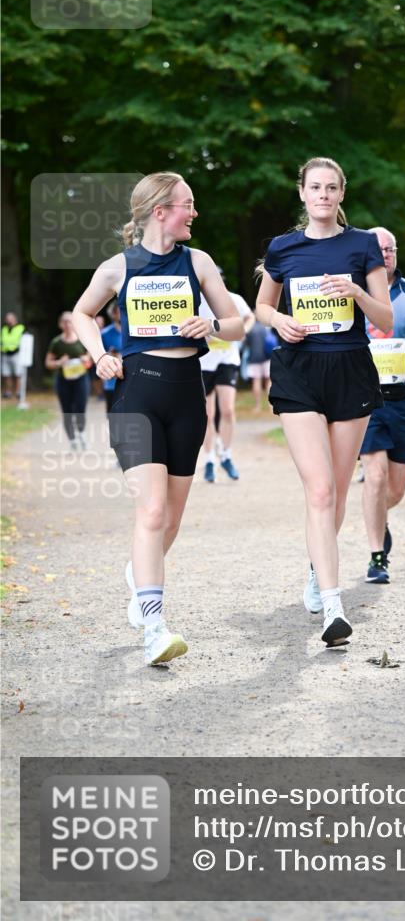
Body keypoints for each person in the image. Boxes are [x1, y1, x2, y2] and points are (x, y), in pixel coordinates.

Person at [72, 171, 243, 666]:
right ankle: (154, 626)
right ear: (160, 210)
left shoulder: (199, 262)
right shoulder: (117, 267)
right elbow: (84, 313)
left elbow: (236, 322)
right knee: (151, 512)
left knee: (170, 519)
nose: (195, 213)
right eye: (188, 204)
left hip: (189, 392)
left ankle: (139, 575)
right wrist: (99, 352)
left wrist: (211, 324)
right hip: (135, 393)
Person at [255, 156, 392, 647]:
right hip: (299, 370)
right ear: (302, 193)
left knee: (333, 488)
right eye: (316, 187)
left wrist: (356, 290)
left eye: (332, 188)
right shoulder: (282, 248)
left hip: (350, 369)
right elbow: (262, 306)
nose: (324, 195)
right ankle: (334, 607)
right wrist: (278, 322)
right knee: (319, 491)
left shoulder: (363, 245)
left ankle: (317, 569)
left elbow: (388, 319)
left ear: (341, 194)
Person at [360, 226, 405, 583]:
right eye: (380, 249)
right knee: (374, 477)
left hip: (404, 398)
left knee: (395, 490)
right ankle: (377, 557)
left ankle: (377, 516)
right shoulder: (353, 290)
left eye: (391, 249)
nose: (386, 254)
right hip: (365, 400)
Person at [199, 275, 254, 483]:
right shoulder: (196, 301)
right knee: (208, 414)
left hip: (228, 358)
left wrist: (242, 332)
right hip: (204, 362)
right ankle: (210, 459)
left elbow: (249, 317)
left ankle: (226, 455)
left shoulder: (233, 299)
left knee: (228, 410)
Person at [45, 311, 92, 451]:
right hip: (63, 381)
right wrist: (59, 362)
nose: (68, 324)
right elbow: (48, 363)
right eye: (65, 321)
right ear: (60, 324)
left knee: (80, 409)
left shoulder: (82, 339)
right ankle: (72, 441)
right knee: (67, 411)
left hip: (81, 379)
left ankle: (82, 435)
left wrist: (86, 359)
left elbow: (91, 357)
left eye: (70, 321)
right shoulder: (56, 342)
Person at [100, 301, 122, 414]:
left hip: (132, 381)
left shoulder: (134, 331)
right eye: (120, 310)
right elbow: (98, 358)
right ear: (113, 313)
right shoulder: (104, 333)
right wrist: (109, 355)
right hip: (111, 384)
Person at [245, 319, 272, 412]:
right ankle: (271, 405)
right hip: (267, 357)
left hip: (253, 358)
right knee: (269, 381)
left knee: (256, 381)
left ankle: (258, 406)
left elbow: (246, 343)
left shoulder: (250, 328)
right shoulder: (266, 327)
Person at [1, 311, 25, 399]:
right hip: (5, 354)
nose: (8, 320)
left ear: (15, 319)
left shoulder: (21, 328)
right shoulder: (4, 329)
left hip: (17, 354)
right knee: (6, 374)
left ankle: (18, 392)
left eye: (10, 318)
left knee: (18, 374)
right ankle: (8, 392)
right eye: (7, 319)